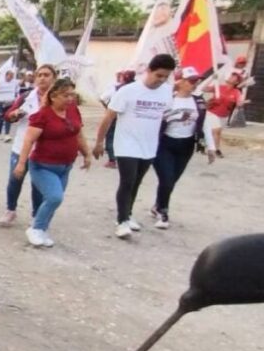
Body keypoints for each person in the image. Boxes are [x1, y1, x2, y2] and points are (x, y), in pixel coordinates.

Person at [94, 54, 177, 239]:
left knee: (137, 182)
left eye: (166, 77)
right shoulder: (128, 91)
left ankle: (128, 214)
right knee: (127, 181)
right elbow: (109, 117)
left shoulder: (166, 92)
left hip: (148, 145)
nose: (161, 80)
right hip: (126, 145)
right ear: (149, 71)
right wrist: (99, 142)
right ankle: (121, 221)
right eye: (159, 75)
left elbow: (164, 116)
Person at [14, 78, 92, 248]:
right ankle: (35, 228)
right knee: (55, 197)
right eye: (66, 95)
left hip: (65, 166)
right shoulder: (43, 115)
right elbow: (28, 141)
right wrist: (21, 164)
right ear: (54, 96)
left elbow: (78, 134)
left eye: (72, 94)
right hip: (42, 165)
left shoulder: (73, 111)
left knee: (53, 200)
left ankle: (42, 230)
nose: (70, 99)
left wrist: (86, 153)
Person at [150, 67, 216, 229]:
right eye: (191, 81)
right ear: (180, 81)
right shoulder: (166, 100)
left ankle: (158, 204)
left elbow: (204, 124)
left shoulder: (198, 101)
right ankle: (163, 211)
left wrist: (211, 146)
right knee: (166, 179)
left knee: (172, 180)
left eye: (197, 81)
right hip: (164, 144)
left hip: (186, 145)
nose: (195, 84)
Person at [0, 64, 56, 227]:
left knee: (38, 185)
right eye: (40, 75)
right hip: (21, 147)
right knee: (15, 180)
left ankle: (36, 215)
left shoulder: (58, 99)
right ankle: (10, 210)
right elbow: (8, 115)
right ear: (35, 78)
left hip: (44, 151)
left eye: (47, 75)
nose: (43, 78)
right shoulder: (26, 97)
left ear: (54, 78)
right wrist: (14, 114)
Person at [202, 70, 246, 158]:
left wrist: (240, 103)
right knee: (216, 130)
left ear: (236, 82)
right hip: (212, 112)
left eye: (235, 77)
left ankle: (213, 147)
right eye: (232, 75)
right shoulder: (219, 87)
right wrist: (211, 79)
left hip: (224, 115)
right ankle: (213, 149)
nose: (231, 77)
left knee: (217, 132)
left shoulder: (236, 92)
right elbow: (203, 89)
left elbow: (238, 102)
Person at [99, 70, 137, 169]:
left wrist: (108, 108)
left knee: (110, 136)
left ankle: (112, 160)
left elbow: (102, 98)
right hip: (131, 118)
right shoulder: (137, 88)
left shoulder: (117, 88)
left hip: (115, 115)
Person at [0, 69, 19, 141]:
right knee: (0, 119)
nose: (11, 77)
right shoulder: (0, 82)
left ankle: (7, 134)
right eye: (10, 76)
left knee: (8, 118)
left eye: (12, 76)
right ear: (6, 75)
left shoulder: (14, 82)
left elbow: (17, 90)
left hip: (10, 103)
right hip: (0, 102)